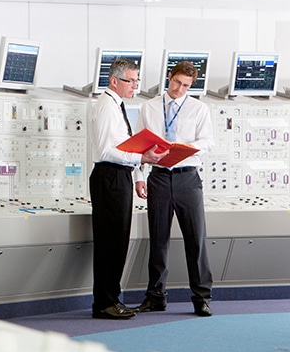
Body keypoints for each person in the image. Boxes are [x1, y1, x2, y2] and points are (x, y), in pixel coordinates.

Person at [89, 58, 168, 320]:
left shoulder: (117, 105)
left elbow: (123, 147)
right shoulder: (105, 107)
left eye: (136, 81)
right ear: (114, 81)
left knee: (118, 240)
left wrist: (138, 172)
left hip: (119, 176)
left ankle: (112, 299)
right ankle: (104, 303)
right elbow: (105, 151)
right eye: (130, 81)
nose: (135, 86)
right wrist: (142, 157)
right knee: (110, 242)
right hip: (109, 176)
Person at [135, 61, 214, 317]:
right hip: (158, 177)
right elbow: (138, 144)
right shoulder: (149, 106)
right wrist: (139, 177)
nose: (180, 89)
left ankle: (202, 298)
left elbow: (208, 142)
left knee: (196, 239)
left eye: (186, 86)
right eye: (177, 82)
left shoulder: (198, 108)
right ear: (169, 76)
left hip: (187, 178)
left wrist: (185, 148)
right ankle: (155, 296)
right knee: (158, 239)